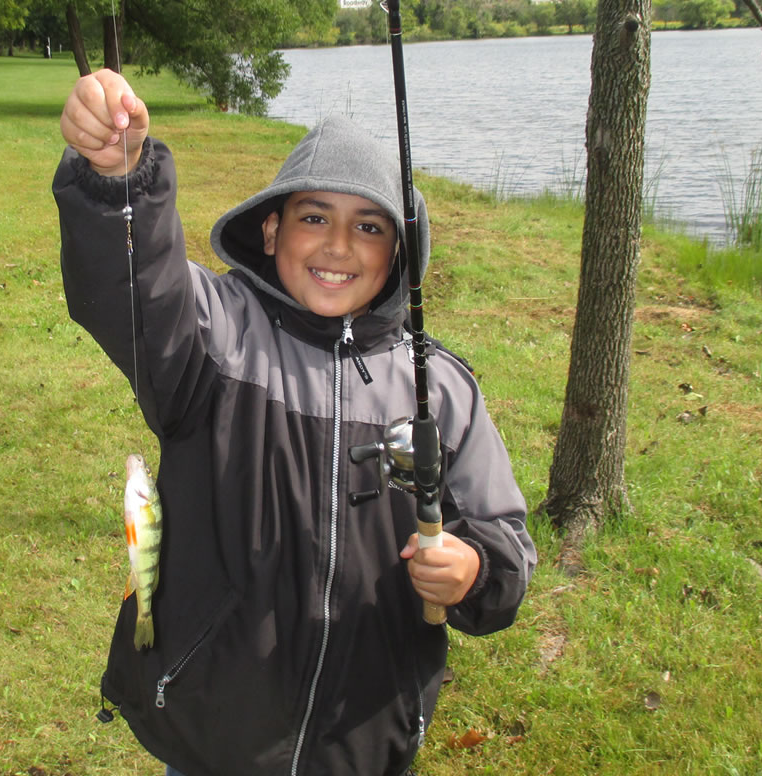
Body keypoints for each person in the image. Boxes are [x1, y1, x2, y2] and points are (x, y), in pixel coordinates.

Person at [52, 69, 536, 776]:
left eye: (369, 226)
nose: (339, 246)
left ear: (398, 252)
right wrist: (115, 181)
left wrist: (472, 571)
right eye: (315, 217)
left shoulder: (445, 392)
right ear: (272, 228)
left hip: (364, 744)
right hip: (216, 739)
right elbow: (130, 287)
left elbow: (505, 548)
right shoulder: (217, 333)